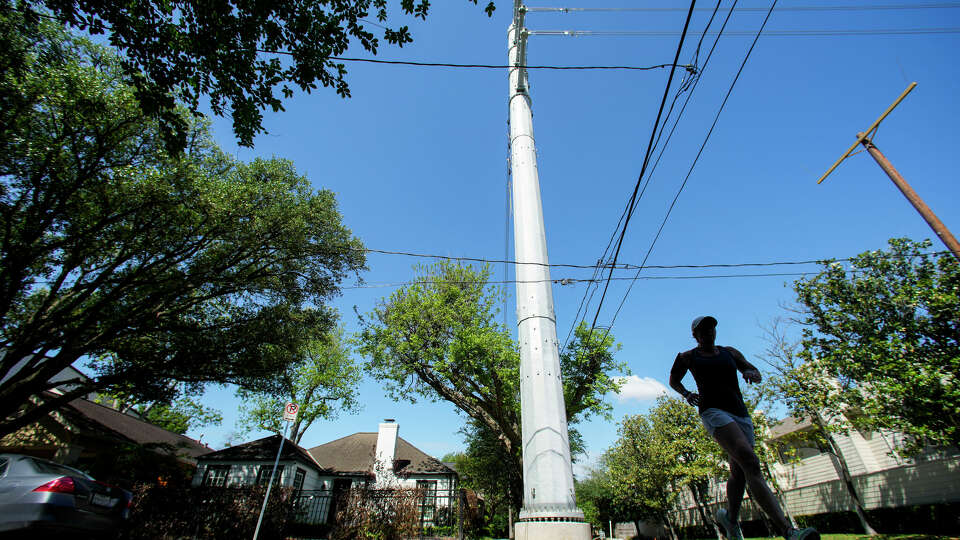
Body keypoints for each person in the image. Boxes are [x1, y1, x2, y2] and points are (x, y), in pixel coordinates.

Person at [669, 315, 819, 540]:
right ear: (695, 335)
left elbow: (754, 371)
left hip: (740, 414)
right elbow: (673, 380)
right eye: (703, 330)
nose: (708, 332)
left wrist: (750, 373)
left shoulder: (730, 352)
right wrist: (687, 394)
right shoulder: (687, 357)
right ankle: (788, 531)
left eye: (711, 328)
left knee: (739, 472)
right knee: (750, 460)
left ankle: (729, 519)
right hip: (713, 412)